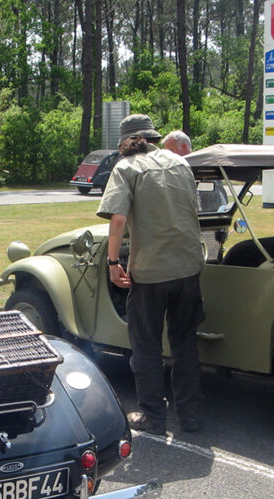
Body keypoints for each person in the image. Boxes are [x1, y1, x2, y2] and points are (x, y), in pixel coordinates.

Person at [97, 114, 205, 435]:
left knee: (146, 346)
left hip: (150, 272)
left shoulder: (126, 168)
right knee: (185, 343)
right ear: (153, 138)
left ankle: (153, 417)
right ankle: (190, 417)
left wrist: (113, 263)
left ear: (125, 143)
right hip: (188, 267)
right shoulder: (180, 163)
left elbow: (118, 220)